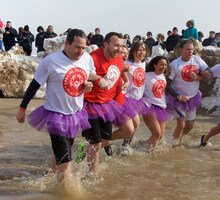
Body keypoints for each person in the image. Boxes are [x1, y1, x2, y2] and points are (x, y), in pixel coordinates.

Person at [16, 29, 100, 188]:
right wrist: (22, 107)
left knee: (63, 152)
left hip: (75, 114)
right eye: (77, 47)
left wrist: (90, 84)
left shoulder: (87, 59)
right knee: (66, 164)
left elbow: (91, 77)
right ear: (67, 43)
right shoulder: (50, 61)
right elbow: (35, 84)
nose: (80, 51)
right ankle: (64, 192)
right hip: (55, 116)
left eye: (83, 48)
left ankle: (50, 175)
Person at [76, 32, 128, 170]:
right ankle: (92, 176)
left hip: (106, 104)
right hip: (89, 105)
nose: (119, 48)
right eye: (116, 45)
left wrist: (126, 81)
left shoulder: (117, 58)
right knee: (96, 144)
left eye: (121, 45)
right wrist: (97, 79)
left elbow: (123, 69)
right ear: (106, 44)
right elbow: (80, 71)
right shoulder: (93, 57)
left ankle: (83, 149)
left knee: (106, 140)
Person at [166, 39, 211, 145]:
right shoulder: (175, 64)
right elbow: (167, 85)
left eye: (192, 49)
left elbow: (209, 73)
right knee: (181, 124)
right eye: (187, 49)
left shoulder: (197, 60)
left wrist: (198, 77)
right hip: (179, 98)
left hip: (193, 97)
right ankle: (175, 145)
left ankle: (176, 139)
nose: (190, 52)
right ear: (181, 50)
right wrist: (178, 96)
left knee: (189, 126)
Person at [121, 42, 150, 148]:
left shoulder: (143, 64)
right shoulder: (127, 64)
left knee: (134, 127)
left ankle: (125, 145)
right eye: (139, 50)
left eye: (143, 50)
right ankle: (107, 142)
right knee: (135, 124)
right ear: (133, 52)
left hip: (138, 99)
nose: (141, 52)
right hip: (127, 99)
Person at [143, 56, 172, 151]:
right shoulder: (147, 76)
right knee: (156, 133)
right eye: (161, 64)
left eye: (165, 65)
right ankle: (151, 155)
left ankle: (143, 146)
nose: (163, 67)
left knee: (160, 136)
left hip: (162, 108)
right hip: (149, 106)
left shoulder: (163, 77)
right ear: (155, 65)